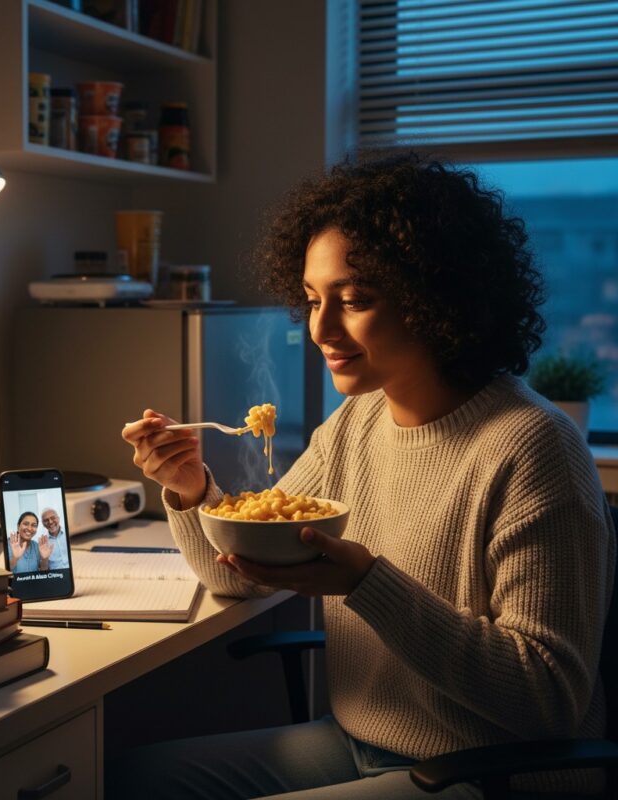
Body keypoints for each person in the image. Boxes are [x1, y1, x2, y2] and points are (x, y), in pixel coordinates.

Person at [116, 152, 616, 799]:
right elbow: (237, 573)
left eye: (354, 301)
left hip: (491, 774)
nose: (320, 328)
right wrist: (190, 489)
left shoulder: (535, 448)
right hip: (354, 744)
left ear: (437, 297)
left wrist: (365, 583)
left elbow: (547, 702)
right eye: (311, 299)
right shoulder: (355, 423)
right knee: (133, 781)